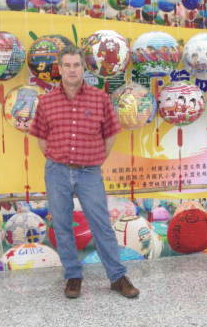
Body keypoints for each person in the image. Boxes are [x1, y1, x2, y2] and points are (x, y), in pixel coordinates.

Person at [29, 45, 140, 299]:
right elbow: (41, 139)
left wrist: (97, 158)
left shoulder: (99, 98)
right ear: (59, 68)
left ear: (83, 67)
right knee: (62, 225)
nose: (71, 70)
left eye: (76, 65)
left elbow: (110, 134)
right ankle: (73, 276)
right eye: (66, 65)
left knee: (101, 225)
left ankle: (117, 277)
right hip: (57, 171)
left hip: (90, 172)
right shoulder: (46, 102)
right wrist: (56, 159)